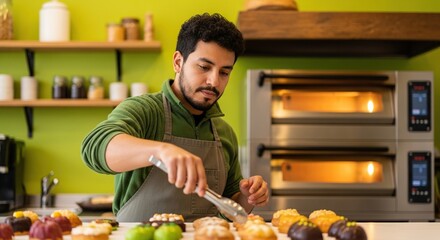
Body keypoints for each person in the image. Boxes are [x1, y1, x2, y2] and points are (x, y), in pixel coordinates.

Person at [81, 13, 269, 222]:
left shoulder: (224, 132)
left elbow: (230, 207)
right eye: (204, 67)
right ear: (178, 62)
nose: (214, 81)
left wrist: (247, 196)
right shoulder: (145, 110)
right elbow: (95, 147)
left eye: (224, 72)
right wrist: (161, 150)